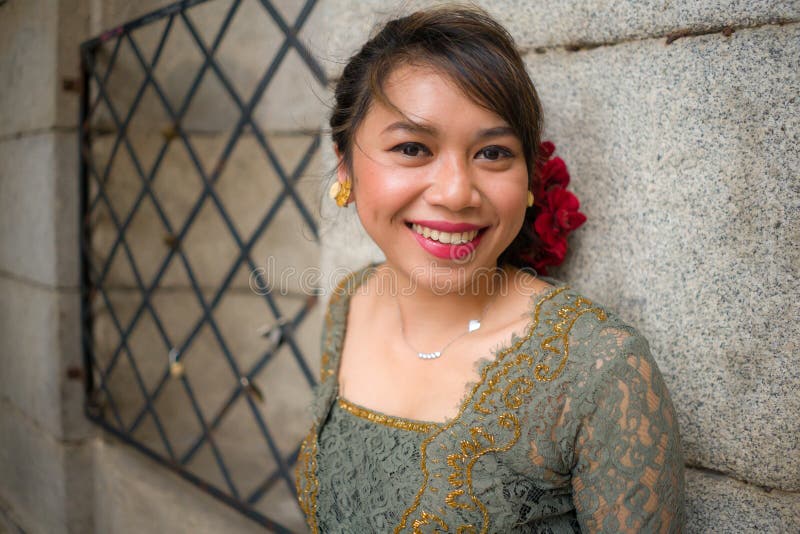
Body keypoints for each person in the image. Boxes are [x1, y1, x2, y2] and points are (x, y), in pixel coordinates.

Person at [295, 5, 685, 533]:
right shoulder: (350, 303)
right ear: (345, 164)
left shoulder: (600, 372)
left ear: (528, 178)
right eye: (412, 148)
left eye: (493, 153)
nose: (456, 193)